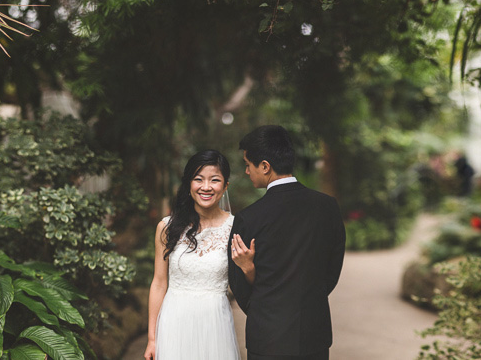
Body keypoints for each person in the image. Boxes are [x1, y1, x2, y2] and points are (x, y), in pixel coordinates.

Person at [229, 125, 345, 360]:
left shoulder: (248, 218)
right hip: (313, 332)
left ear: (265, 166)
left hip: (267, 335)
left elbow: (237, 280)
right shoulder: (327, 207)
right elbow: (333, 269)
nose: (246, 171)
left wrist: (263, 311)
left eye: (248, 164)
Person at [144, 150, 241, 360]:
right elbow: (159, 283)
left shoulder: (236, 227)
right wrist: (152, 339)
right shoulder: (166, 227)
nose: (206, 187)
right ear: (189, 184)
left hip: (215, 324)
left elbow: (246, 283)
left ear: (225, 187)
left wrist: (248, 265)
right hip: (175, 321)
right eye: (199, 179)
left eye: (214, 180)